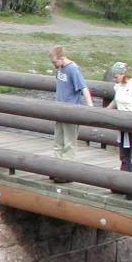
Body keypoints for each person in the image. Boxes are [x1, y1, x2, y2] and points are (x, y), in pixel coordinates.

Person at [50, 45, 94, 183]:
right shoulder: (60, 69)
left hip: (71, 111)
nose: (54, 65)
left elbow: (83, 88)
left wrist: (90, 106)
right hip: (59, 110)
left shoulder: (72, 69)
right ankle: (57, 168)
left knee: (69, 142)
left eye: (55, 62)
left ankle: (67, 172)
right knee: (58, 140)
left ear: (62, 58)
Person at [105, 62, 132, 200]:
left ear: (123, 74)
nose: (114, 79)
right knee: (124, 155)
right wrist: (103, 113)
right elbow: (116, 102)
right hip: (122, 127)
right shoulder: (118, 86)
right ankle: (123, 183)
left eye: (116, 76)